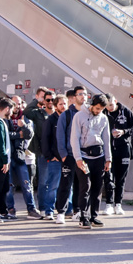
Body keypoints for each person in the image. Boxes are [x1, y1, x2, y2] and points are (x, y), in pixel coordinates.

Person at [70, 94, 111, 229]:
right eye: (97, 108)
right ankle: (83, 216)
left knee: (98, 187)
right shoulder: (79, 116)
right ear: (92, 104)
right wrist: (78, 159)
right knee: (85, 186)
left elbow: (106, 139)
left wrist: (108, 159)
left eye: (101, 109)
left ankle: (94, 216)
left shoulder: (104, 118)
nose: (99, 111)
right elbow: (74, 138)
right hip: (84, 156)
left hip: (99, 156)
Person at [55, 86, 87, 223]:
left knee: (81, 184)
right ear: (74, 97)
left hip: (84, 155)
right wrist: (63, 154)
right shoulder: (66, 115)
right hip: (69, 155)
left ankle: (77, 211)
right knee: (65, 184)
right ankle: (61, 212)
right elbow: (60, 136)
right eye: (80, 94)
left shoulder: (88, 114)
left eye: (85, 94)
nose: (83, 96)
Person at [6, 96, 42, 219]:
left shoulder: (25, 118)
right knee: (9, 185)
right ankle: (10, 209)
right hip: (8, 157)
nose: (17, 106)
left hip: (21, 156)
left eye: (19, 104)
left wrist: (24, 126)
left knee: (27, 184)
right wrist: (18, 134)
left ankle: (31, 209)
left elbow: (29, 135)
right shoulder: (5, 118)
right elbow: (5, 135)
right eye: (14, 104)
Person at [103, 94, 133, 215]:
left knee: (121, 178)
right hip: (109, 149)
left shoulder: (125, 111)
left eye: (111, 104)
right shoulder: (104, 113)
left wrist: (123, 131)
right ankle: (109, 204)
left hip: (123, 149)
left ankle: (118, 204)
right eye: (107, 106)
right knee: (108, 177)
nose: (109, 108)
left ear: (115, 101)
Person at [40, 94, 66, 220]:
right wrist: (50, 156)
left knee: (67, 186)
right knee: (53, 186)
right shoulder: (50, 120)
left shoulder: (70, 118)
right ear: (56, 106)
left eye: (65, 103)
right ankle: (49, 210)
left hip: (67, 158)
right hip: (54, 159)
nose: (63, 106)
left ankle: (67, 210)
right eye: (61, 104)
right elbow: (45, 140)